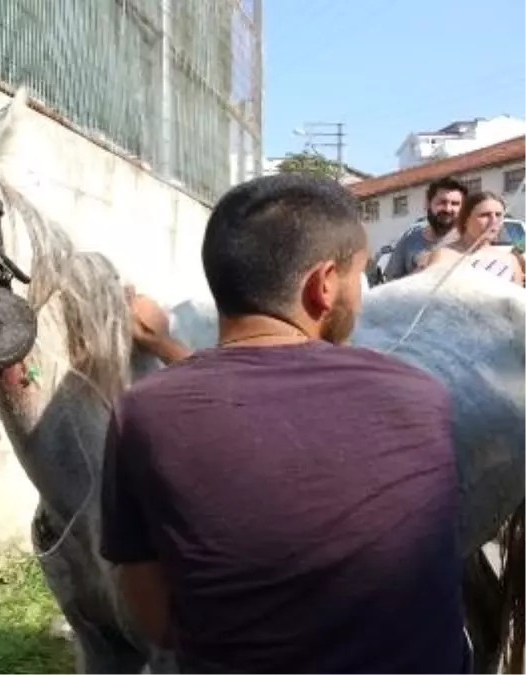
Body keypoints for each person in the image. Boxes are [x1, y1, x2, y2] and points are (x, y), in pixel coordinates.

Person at [101, 174, 470, 675]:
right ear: (323, 285)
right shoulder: (421, 394)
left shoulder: (140, 413)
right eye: (358, 276)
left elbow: (157, 621)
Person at [426, 190, 525, 284]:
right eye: (485, 215)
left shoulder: (510, 260)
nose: (493, 221)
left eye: (498, 215)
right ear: (465, 219)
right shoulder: (444, 256)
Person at [382, 177, 467, 281]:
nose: (448, 209)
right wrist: (420, 272)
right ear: (428, 203)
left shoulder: (469, 241)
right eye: (442, 202)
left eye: (455, 204)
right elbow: (390, 286)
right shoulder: (408, 242)